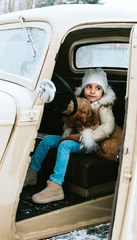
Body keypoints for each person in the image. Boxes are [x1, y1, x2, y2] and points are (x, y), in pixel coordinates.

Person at [24, 68, 116, 204]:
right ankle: (32, 172)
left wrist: (90, 137)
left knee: (64, 145)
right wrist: (68, 131)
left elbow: (108, 127)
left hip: (90, 143)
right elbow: (68, 120)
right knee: (48, 140)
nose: (92, 91)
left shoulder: (103, 107)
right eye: (89, 87)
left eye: (98, 88)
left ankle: (56, 185)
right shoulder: (78, 102)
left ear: (103, 92)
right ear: (83, 88)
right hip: (74, 137)